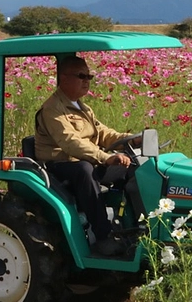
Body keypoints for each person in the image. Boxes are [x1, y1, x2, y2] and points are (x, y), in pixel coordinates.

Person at [34, 55, 138, 257]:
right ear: (63, 79)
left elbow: (103, 134)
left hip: (84, 160)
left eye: (89, 76)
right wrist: (104, 157)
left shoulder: (82, 107)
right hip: (58, 165)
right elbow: (70, 141)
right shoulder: (52, 109)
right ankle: (103, 236)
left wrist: (131, 140)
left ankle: (133, 229)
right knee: (84, 170)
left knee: (132, 168)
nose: (87, 81)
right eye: (81, 76)